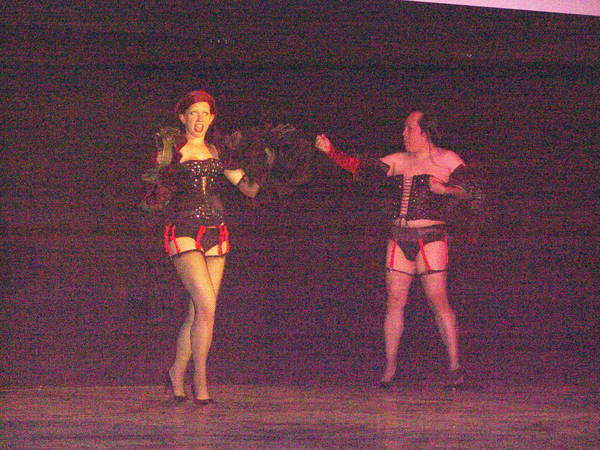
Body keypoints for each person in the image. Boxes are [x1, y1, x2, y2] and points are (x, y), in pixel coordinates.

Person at [315, 110, 480, 390]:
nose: (404, 133)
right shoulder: (399, 160)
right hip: (399, 236)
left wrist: (445, 190)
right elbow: (362, 168)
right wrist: (331, 151)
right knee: (394, 301)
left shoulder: (448, 159)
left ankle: (455, 367)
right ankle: (390, 368)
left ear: (425, 132)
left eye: (409, 128)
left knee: (438, 301)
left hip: (431, 238)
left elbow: (472, 191)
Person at [153, 90, 263, 404]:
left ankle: (177, 372)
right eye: (193, 113)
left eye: (205, 113)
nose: (199, 119)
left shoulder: (218, 151)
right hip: (184, 229)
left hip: (216, 230)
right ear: (183, 117)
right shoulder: (173, 150)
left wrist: (266, 166)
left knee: (198, 312)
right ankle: (200, 380)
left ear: (212, 118)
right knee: (206, 306)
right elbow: (155, 190)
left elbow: (250, 189)